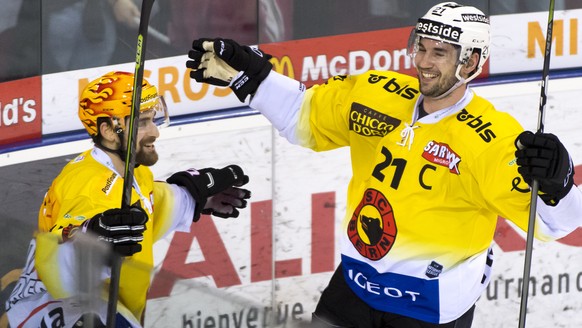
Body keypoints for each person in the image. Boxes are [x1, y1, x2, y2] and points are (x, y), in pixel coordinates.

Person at [185, 2, 582, 327]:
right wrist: (252, 78)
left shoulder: (492, 138)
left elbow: (554, 224)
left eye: (439, 53)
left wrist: (558, 183)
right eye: (421, 47)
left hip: (429, 307)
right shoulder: (378, 92)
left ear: (472, 60)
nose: (424, 61)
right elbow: (302, 115)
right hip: (355, 284)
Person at [5, 71, 251, 327]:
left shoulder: (135, 173)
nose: (154, 131)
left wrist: (193, 196)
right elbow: (61, 250)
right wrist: (92, 240)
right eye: (142, 122)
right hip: (60, 309)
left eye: (153, 119)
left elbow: (147, 211)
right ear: (109, 130)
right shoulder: (88, 183)